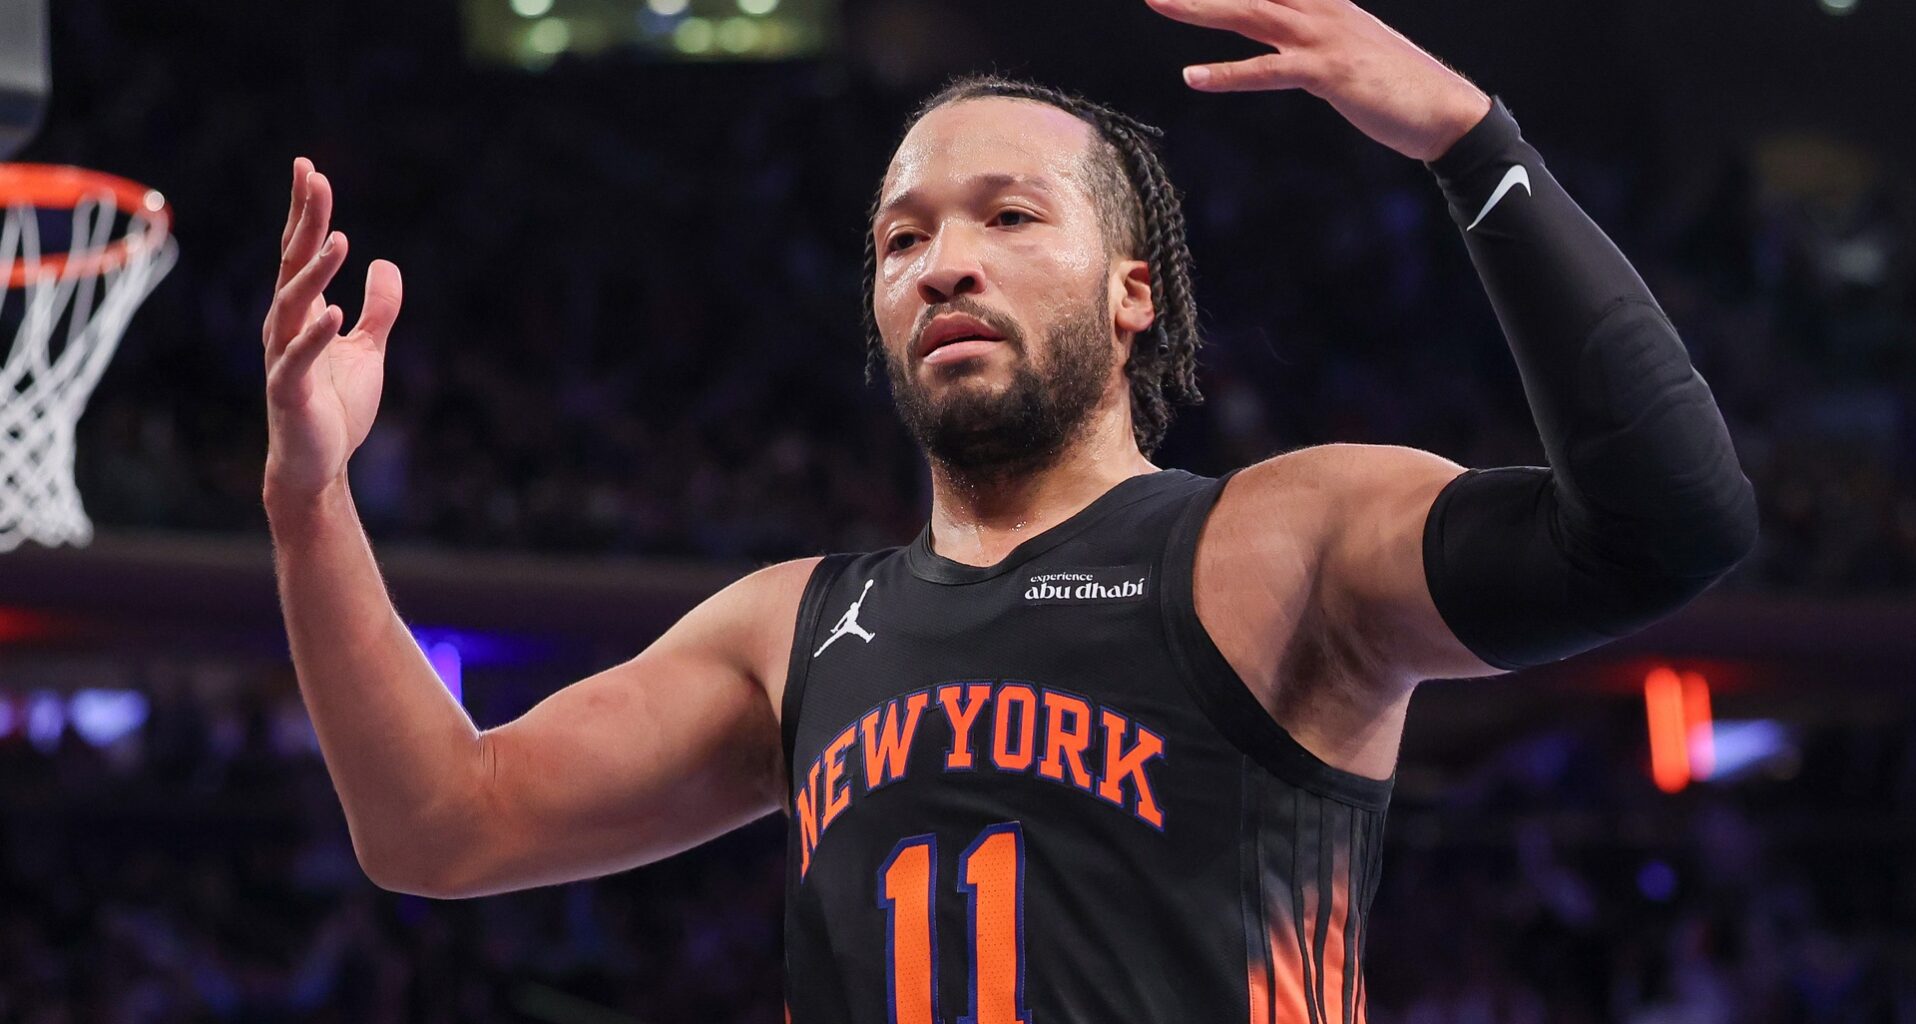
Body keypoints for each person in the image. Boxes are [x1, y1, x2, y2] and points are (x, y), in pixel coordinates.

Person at [258, 0, 1758, 1019]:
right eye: (903, 237)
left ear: (1133, 296)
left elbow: (1668, 522)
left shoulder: (1276, 541)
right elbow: (436, 824)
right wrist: (312, 500)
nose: (943, 261)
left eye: (1008, 216)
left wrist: (1472, 145)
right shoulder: (792, 627)